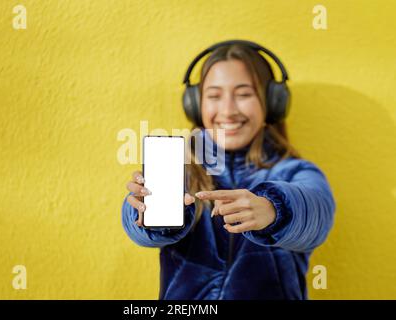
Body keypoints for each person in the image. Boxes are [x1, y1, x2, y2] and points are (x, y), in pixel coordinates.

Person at [121, 40, 336, 300]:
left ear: (272, 102)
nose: (228, 110)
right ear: (194, 105)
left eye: (244, 94)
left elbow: (317, 215)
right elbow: (140, 232)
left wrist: (275, 208)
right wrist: (143, 212)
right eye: (214, 96)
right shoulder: (181, 172)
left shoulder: (296, 172)